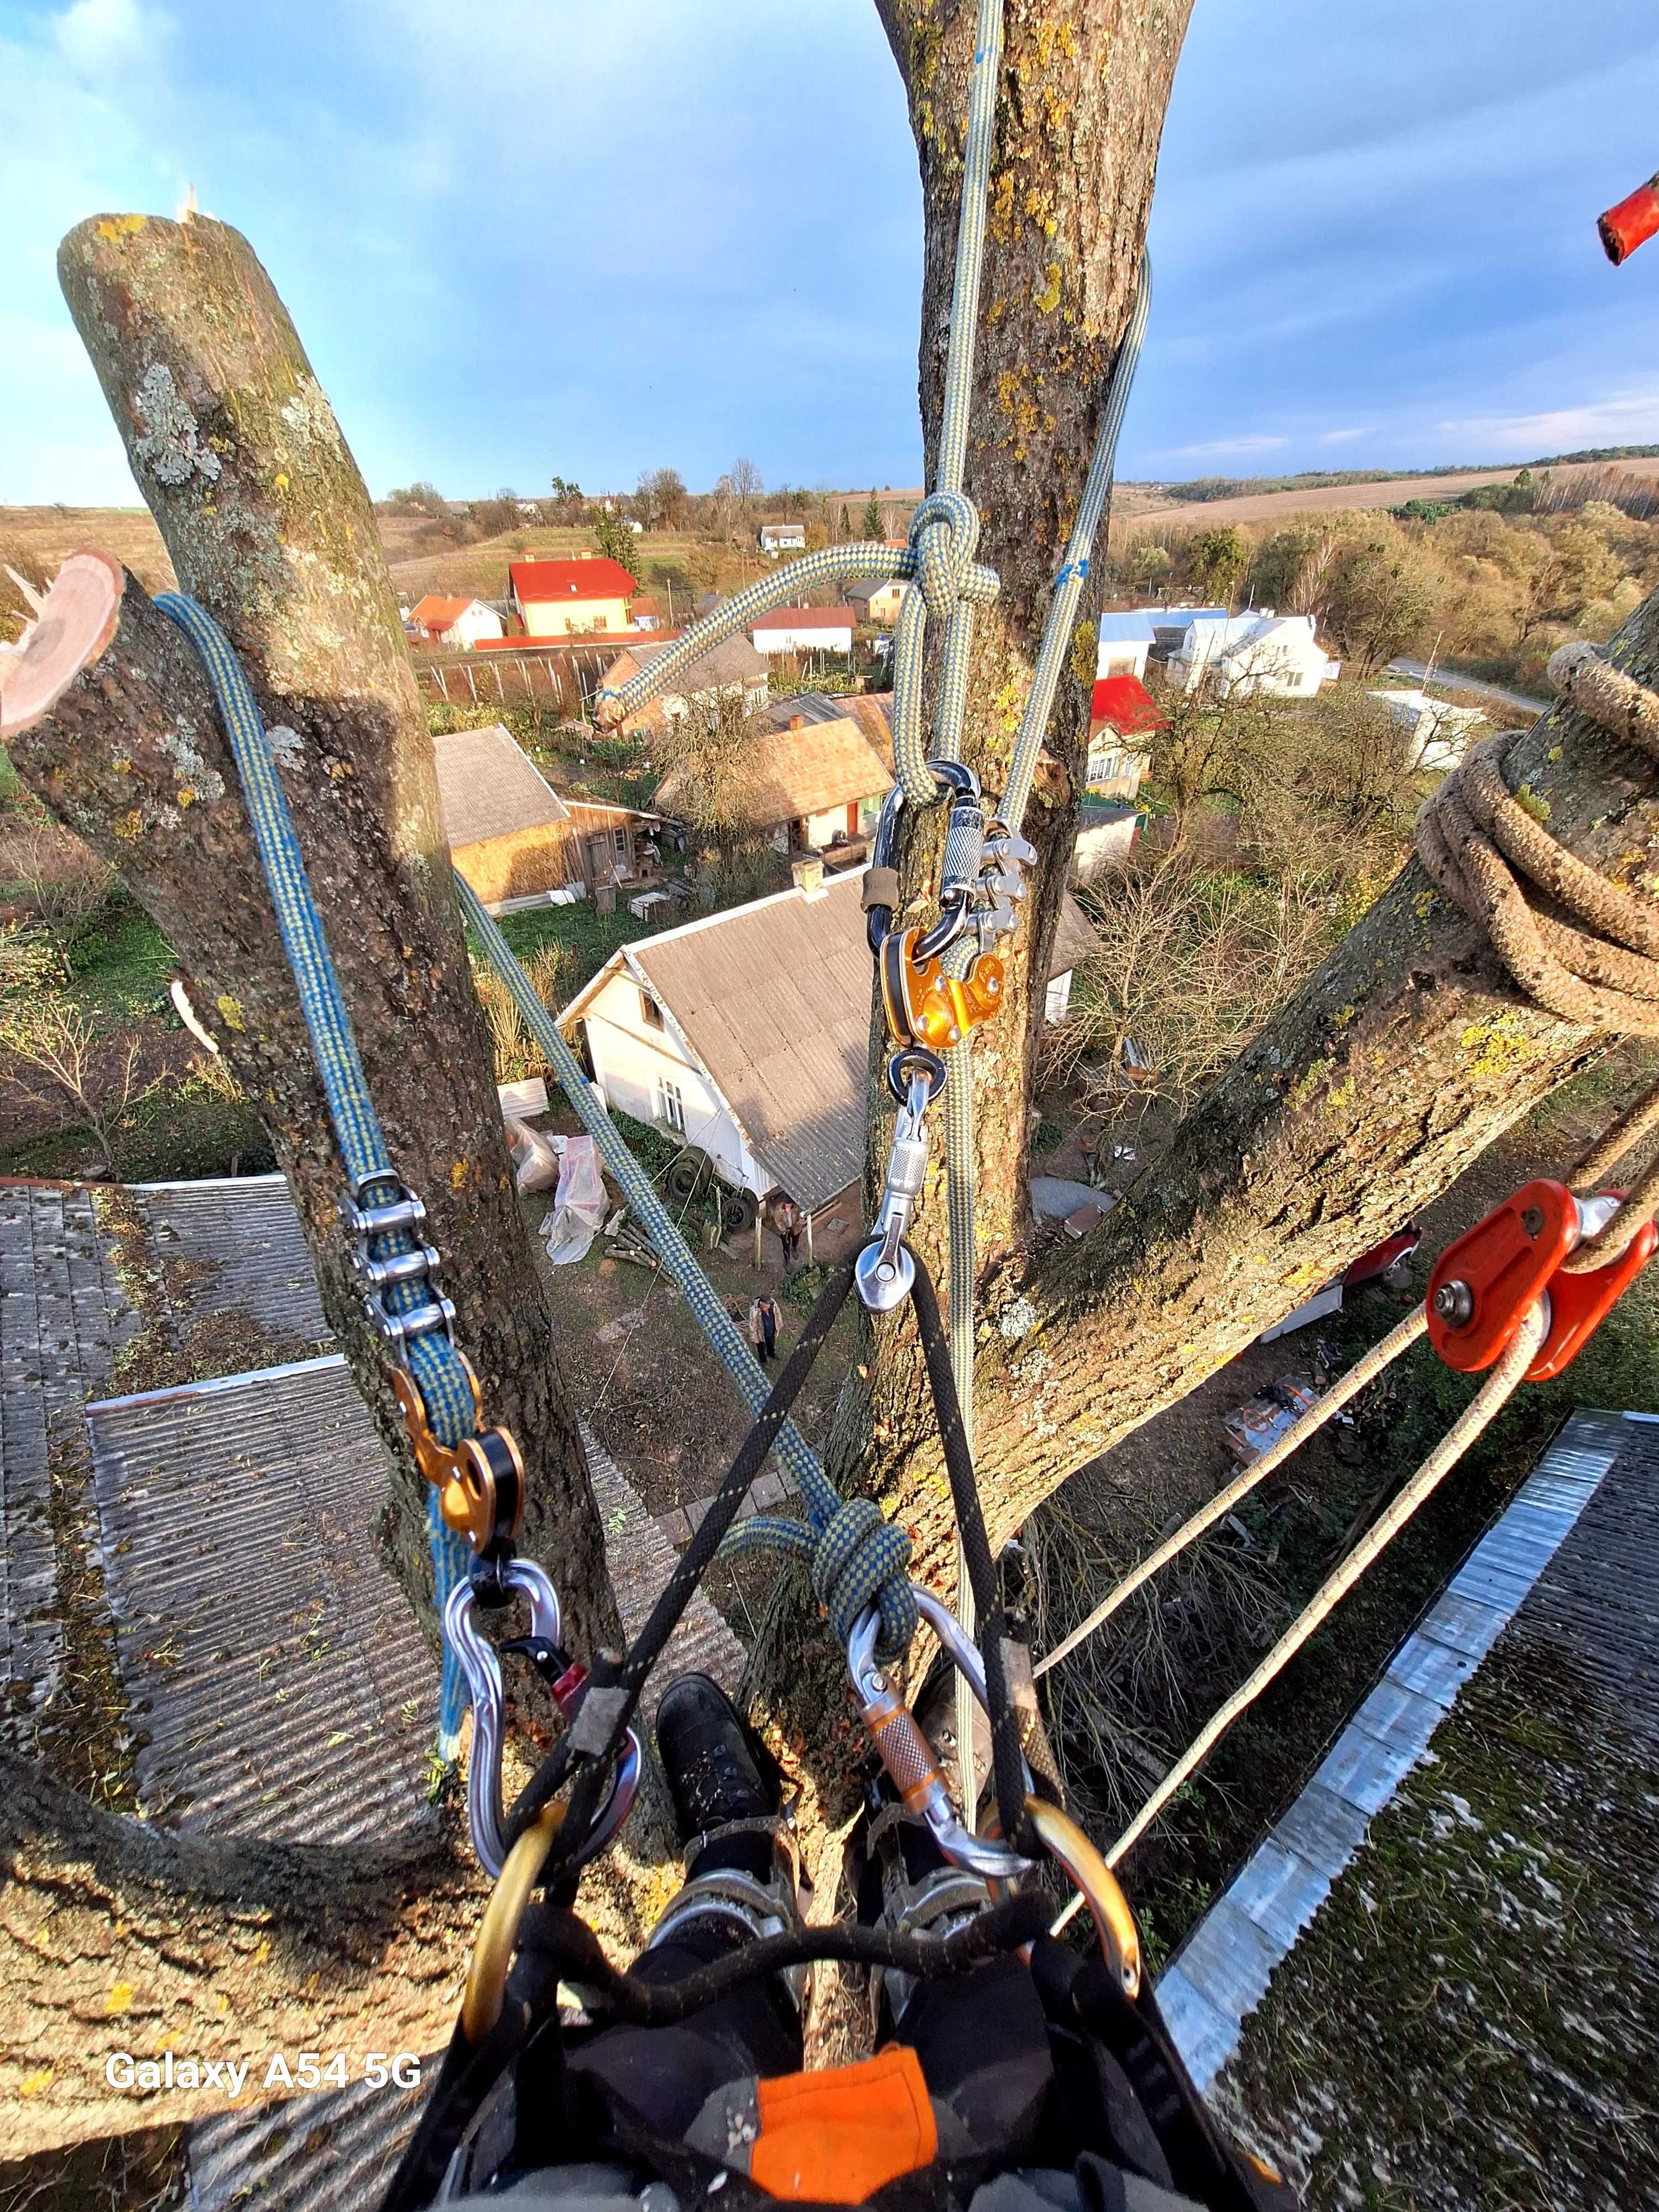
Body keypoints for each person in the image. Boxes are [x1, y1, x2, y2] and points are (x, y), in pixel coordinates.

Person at [432, 1674, 1298, 2211]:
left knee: (674, 2027)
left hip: (600, 2180)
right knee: (990, 1996)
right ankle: (914, 1841)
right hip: (1056, 2173)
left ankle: (739, 1865)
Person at [748, 1292, 779, 1366]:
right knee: (761, 1348)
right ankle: (763, 1360)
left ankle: (771, 1353)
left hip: (771, 1331)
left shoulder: (772, 1304)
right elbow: (752, 1326)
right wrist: (755, 1338)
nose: (766, 1309)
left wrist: (778, 1325)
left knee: (771, 1343)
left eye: (768, 1307)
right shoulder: (754, 1311)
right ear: (761, 1303)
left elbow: (778, 1313)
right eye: (765, 1307)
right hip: (761, 1334)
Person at [773, 1192, 802, 1270]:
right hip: (785, 1230)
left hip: (795, 1228)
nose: (787, 1206)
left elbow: (801, 1219)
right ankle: (787, 1261)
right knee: (786, 1246)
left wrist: (796, 1227)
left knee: (796, 1240)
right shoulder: (779, 1208)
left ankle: (794, 1248)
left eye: (789, 1204)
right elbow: (778, 1221)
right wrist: (784, 1230)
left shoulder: (796, 1208)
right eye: (786, 1204)